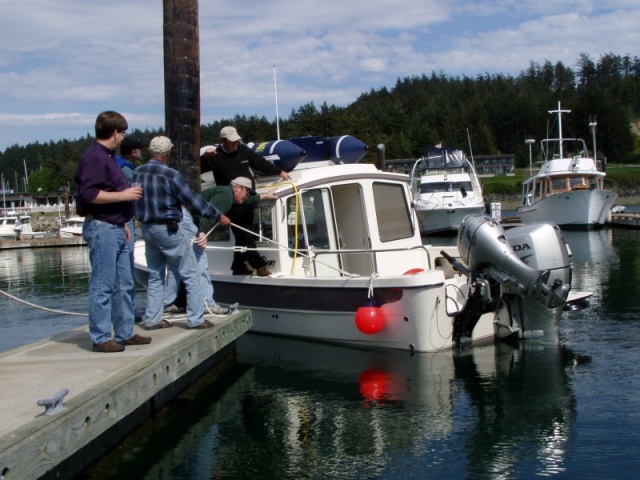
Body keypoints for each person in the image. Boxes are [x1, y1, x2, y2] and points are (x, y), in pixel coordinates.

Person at [133, 136, 232, 330]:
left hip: (146, 228)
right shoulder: (171, 175)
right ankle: (196, 319)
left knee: (155, 275)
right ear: (168, 153)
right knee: (192, 274)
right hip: (168, 229)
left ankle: (152, 319)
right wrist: (218, 215)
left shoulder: (138, 172)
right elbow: (193, 202)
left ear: (151, 152)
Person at [74, 110, 151, 353]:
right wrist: (124, 195)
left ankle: (125, 331)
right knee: (103, 284)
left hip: (115, 226)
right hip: (102, 226)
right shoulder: (95, 157)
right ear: (115, 133)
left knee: (124, 283)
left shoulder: (107, 156)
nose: (124, 137)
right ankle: (100, 336)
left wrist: (123, 223)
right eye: (123, 132)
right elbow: (89, 194)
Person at [163, 176, 278, 313]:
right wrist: (202, 233)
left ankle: (172, 303)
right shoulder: (226, 197)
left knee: (178, 265)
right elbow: (209, 213)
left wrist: (264, 196)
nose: (247, 196)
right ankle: (207, 304)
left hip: (180, 216)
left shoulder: (227, 193)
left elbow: (246, 201)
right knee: (199, 264)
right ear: (237, 188)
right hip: (187, 220)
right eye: (246, 192)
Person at [201, 126, 289, 276]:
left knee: (244, 233)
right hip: (230, 201)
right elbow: (199, 168)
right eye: (231, 141)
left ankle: (238, 266)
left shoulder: (243, 150)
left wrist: (279, 171)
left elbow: (260, 163)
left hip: (248, 197)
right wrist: (205, 157)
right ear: (223, 141)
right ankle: (260, 266)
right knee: (245, 233)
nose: (235, 143)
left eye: (236, 140)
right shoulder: (215, 156)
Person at [115, 135, 150, 323]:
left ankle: (124, 311)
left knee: (122, 271)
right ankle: (126, 312)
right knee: (125, 270)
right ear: (134, 151)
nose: (142, 152)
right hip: (124, 221)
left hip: (123, 220)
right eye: (140, 149)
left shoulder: (117, 164)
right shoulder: (127, 171)